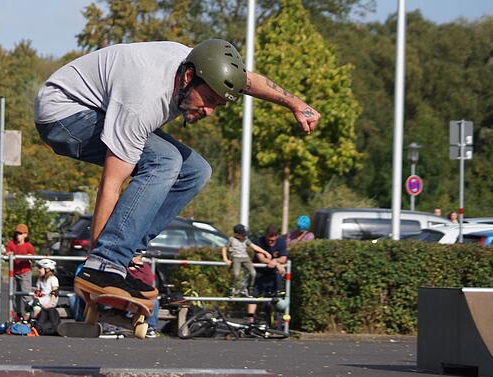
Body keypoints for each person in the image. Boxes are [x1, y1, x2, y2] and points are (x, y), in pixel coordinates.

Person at [34, 39, 320, 301]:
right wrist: (95, 266)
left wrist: (295, 103)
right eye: (208, 100)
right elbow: (111, 182)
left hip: (96, 109)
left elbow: (247, 80)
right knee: (166, 160)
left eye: (217, 105)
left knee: (195, 170)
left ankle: (127, 252)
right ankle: (107, 262)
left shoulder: (201, 64)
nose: (209, 111)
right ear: (187, 78)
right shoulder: (144, 100)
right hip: (63, 115)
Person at [247, 225, 288, 324]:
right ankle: (250, 319)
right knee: (254, 296)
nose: (270, 242)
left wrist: (275, 261)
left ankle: (276, 319)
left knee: (276, 296)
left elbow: (284, 258)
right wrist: (276, 263)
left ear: (276, 237)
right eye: (268, 239)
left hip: (273, 274)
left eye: (272, 240)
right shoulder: (259, 241)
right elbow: (261, 258)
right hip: (260, 272)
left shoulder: (281, 242)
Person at [221, 224, 271, 297]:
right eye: (243, 234)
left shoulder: (246, 240)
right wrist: (225, 259)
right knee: (236, 274)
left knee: (253, 272)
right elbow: (224, 248)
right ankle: (232, 288)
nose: (244, 236)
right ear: (236, 234)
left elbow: (254, 247)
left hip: (245, 258)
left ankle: (250, 288)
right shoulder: (231, 239)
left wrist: (265, 252)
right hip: (236, 258)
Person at [6, 223, 35, 315]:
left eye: (21, 234)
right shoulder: (11, 244)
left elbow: (32, 258)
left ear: (25, 235)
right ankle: (18, 314)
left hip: (25, 272)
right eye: (17, 233)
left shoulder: (28, 246)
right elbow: (7, 254)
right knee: (14, 295)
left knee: (26, 294)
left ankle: (29, 314)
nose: (18, 236)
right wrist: (8, 255)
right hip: (14, 273)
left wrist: (30, 257)